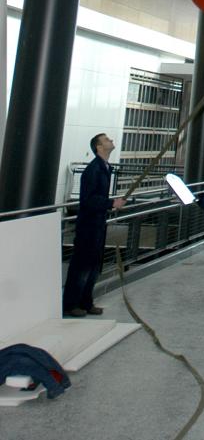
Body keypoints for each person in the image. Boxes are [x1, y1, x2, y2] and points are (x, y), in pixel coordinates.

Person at [63, 133, 125, 317]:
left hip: (97, 224)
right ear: (98, 147)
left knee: (93, 265)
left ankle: (86, 302)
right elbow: (88, 200)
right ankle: (70, 304)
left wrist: (109, 204)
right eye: (106, 140)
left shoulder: (104, 168)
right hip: (89, 226)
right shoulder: (94, 170)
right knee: (82, 265)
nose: (111, 141)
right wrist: (111, 203)